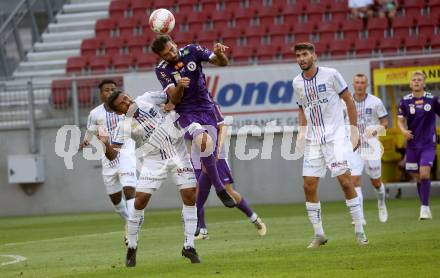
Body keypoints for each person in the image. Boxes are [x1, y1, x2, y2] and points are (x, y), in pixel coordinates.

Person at [101, 89, 200, 267]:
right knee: (139, 202)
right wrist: (104, 143)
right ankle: (132, 246)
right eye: (122, 103)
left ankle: (189, 245)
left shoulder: (147, 98)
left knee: (190, 195)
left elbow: (173, 96)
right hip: (154, 160)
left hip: (178, 154)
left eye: (126, 98)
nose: (127, 102)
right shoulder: (123, 126)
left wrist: (172, 102)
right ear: (118, 111)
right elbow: (112, 155)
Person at [292, 42, 368, 248]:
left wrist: (354, 130)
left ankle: (360, 231)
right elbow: (301, 108)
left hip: (335, 138)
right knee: (308, 185)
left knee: (345, 181)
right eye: (298, 55)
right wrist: (301, 131)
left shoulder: (331, 74)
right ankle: (319, 234)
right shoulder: (297, 83)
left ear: (314, 56)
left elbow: (349, 100)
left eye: (305, 54)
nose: (301, 58)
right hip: (313, 141)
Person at [151, 35, 236, 209]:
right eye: (167, 54)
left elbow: (222, 62)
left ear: (175, 43)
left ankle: (199, 220)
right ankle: (220, 188)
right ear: (161, 56)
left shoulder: (192, 50)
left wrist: (219, 53)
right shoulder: (162, 70)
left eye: (172, 48)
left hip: (206, 108)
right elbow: (173, 99)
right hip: (186, 113)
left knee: (208, 154)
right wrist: (180, 85)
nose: (172, 53)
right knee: (203, 141)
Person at [194, 103, 267, 240]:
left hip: (215, 154)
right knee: (196, 191)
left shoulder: (209, 104)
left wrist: (218, 149)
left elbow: (222, 127)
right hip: (197, 154)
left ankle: (254, 218)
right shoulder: (185, 106)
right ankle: (202, 230)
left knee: (227, 191)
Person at [80, 79, 136, 246]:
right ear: (101, 93)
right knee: (116, 201)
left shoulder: (125, 108)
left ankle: (132, 230)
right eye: (107, 89)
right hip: (108, 158)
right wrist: (86, 141)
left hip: (126, 154)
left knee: (129, 189)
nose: (111, 91)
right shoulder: (95, 114)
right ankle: (127, 219)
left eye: (113, 89)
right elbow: (90, 131)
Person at [397, 71, 440, 220]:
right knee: (417, 177)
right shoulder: (405, 101)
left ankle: (425, 208)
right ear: (410, 84)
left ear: (424, 83)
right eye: (414, 80)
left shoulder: (433, 100)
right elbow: (400, 121)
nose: (416, 82)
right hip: (412, 145)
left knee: (424, 174)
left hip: (428, 143)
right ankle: (424, 204)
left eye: (419, 80)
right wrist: (403, 131)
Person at [348, 73, 388, 224]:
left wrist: (376, 130)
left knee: (376, 182)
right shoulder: (346, 101)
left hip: (371, 147)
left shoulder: (375, 102)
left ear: (367, 85)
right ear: (353, 84)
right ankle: (360, 216)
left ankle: (381, 202)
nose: (359, 85)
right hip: (354, 147)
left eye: (362, 82)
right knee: (354, 180)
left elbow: (385, 122)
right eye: (357, 82)